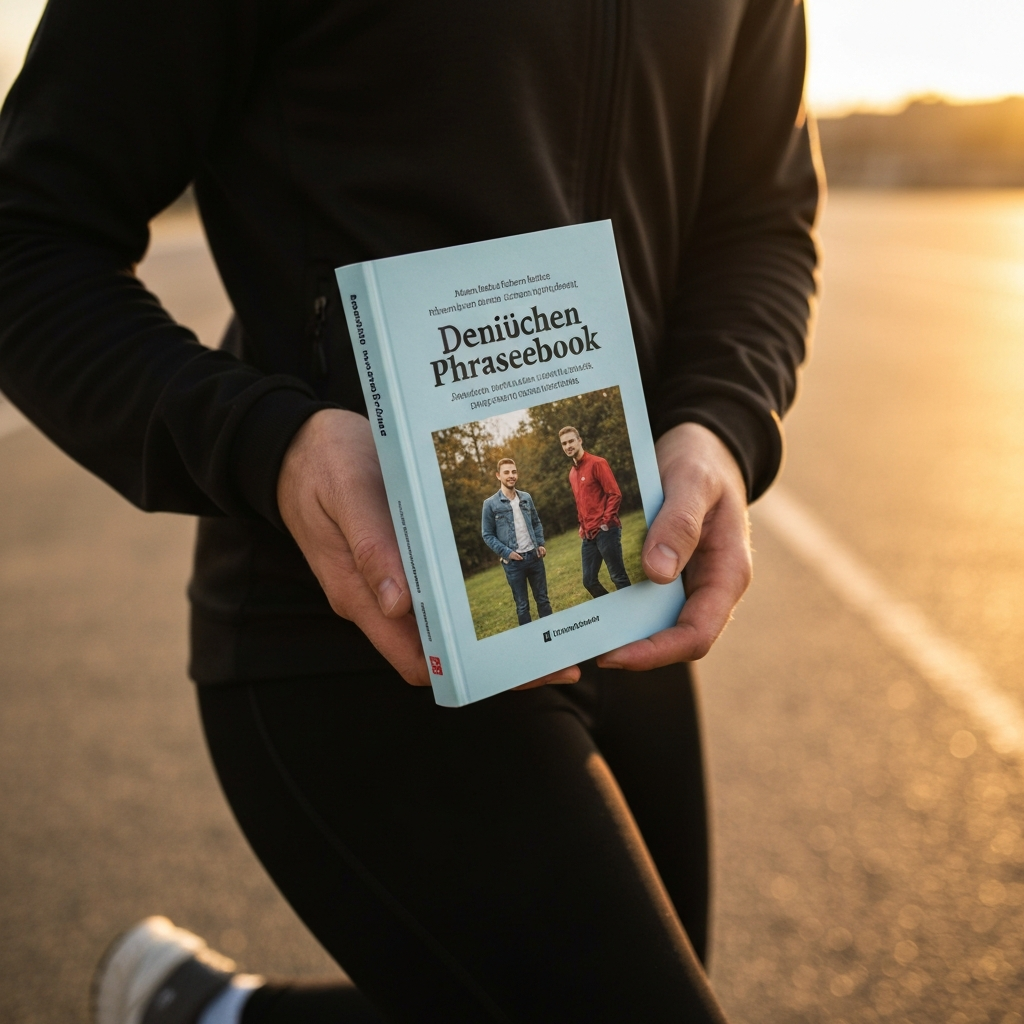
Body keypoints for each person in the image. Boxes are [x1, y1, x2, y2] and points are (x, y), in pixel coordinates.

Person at [0, 0, 820, 1019]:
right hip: (351, 616)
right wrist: (272, 443)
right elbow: (28, 241)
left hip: (625, 606)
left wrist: (718, 421)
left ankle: (216, 1014)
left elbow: (759, 218)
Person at [559, 425, 632, 597]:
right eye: (564, 443)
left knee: (618, 577)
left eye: (571, 441)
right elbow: (581, 502)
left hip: (606, 530)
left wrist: (605, 522)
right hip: (588, 534)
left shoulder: (598, 463)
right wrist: (582, 525)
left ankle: (635, 612)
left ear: (579, 440)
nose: (568, 446)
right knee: (589, 581)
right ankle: (614, 609)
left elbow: (615, 494)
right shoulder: (572, 473)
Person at [481, 458, 553, 626]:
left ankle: (553, 633)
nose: (511, 475)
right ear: (498, 475)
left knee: (543, 600)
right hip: (513, 563)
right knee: (522, 607)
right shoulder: (490, 504)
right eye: (506, 472)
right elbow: (487, 535)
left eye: (514, 472)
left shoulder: (526, 497)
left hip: (534, 558)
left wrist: (540, 544)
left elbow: (536, 522)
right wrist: (507, 553)